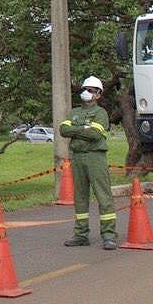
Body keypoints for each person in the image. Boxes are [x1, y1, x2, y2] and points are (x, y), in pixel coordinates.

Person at [60, 76, 118, 249]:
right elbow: (63, 130)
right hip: (77, 157)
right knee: (80, 197)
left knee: (103, 196)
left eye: (91, 90)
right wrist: (84, 128)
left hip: (95, 157)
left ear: (98, 94)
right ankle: (80, 234)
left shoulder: (101, 113)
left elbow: (95, 134)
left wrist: (75, 131)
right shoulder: (74, 112)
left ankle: (109, 236)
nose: (87, 93)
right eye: (85, 89)